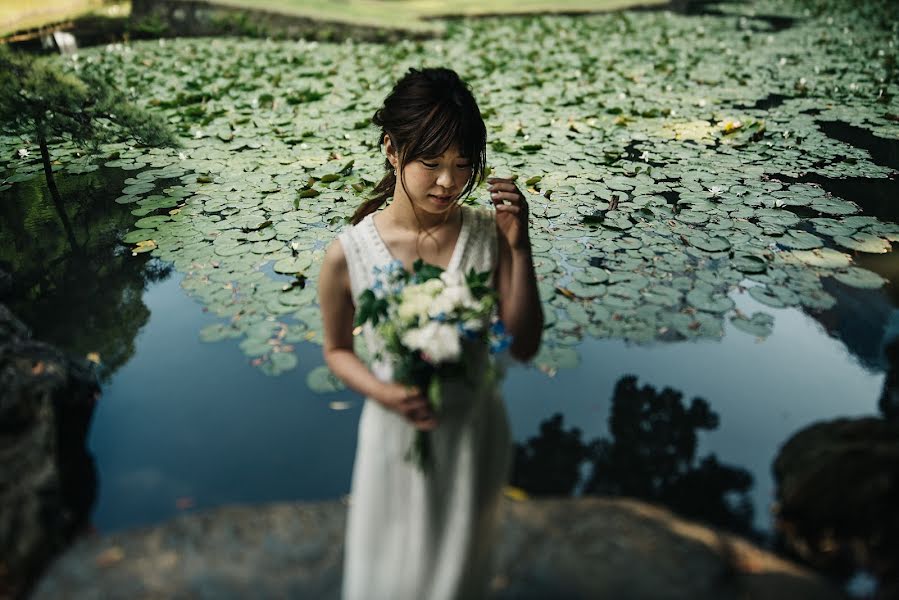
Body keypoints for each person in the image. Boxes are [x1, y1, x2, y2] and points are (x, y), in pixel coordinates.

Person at [318, 67, 543, 600]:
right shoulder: (347, 254)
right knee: (389, 574)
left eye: (463, 166)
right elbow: (336, 351)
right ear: (393, 150)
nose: (448, 182)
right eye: (432, 163)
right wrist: (384, 392)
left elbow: (526, 344)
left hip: (473, 431)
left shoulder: (489, 237)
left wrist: (519, 246)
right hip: (394, 436)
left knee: (458, 574)